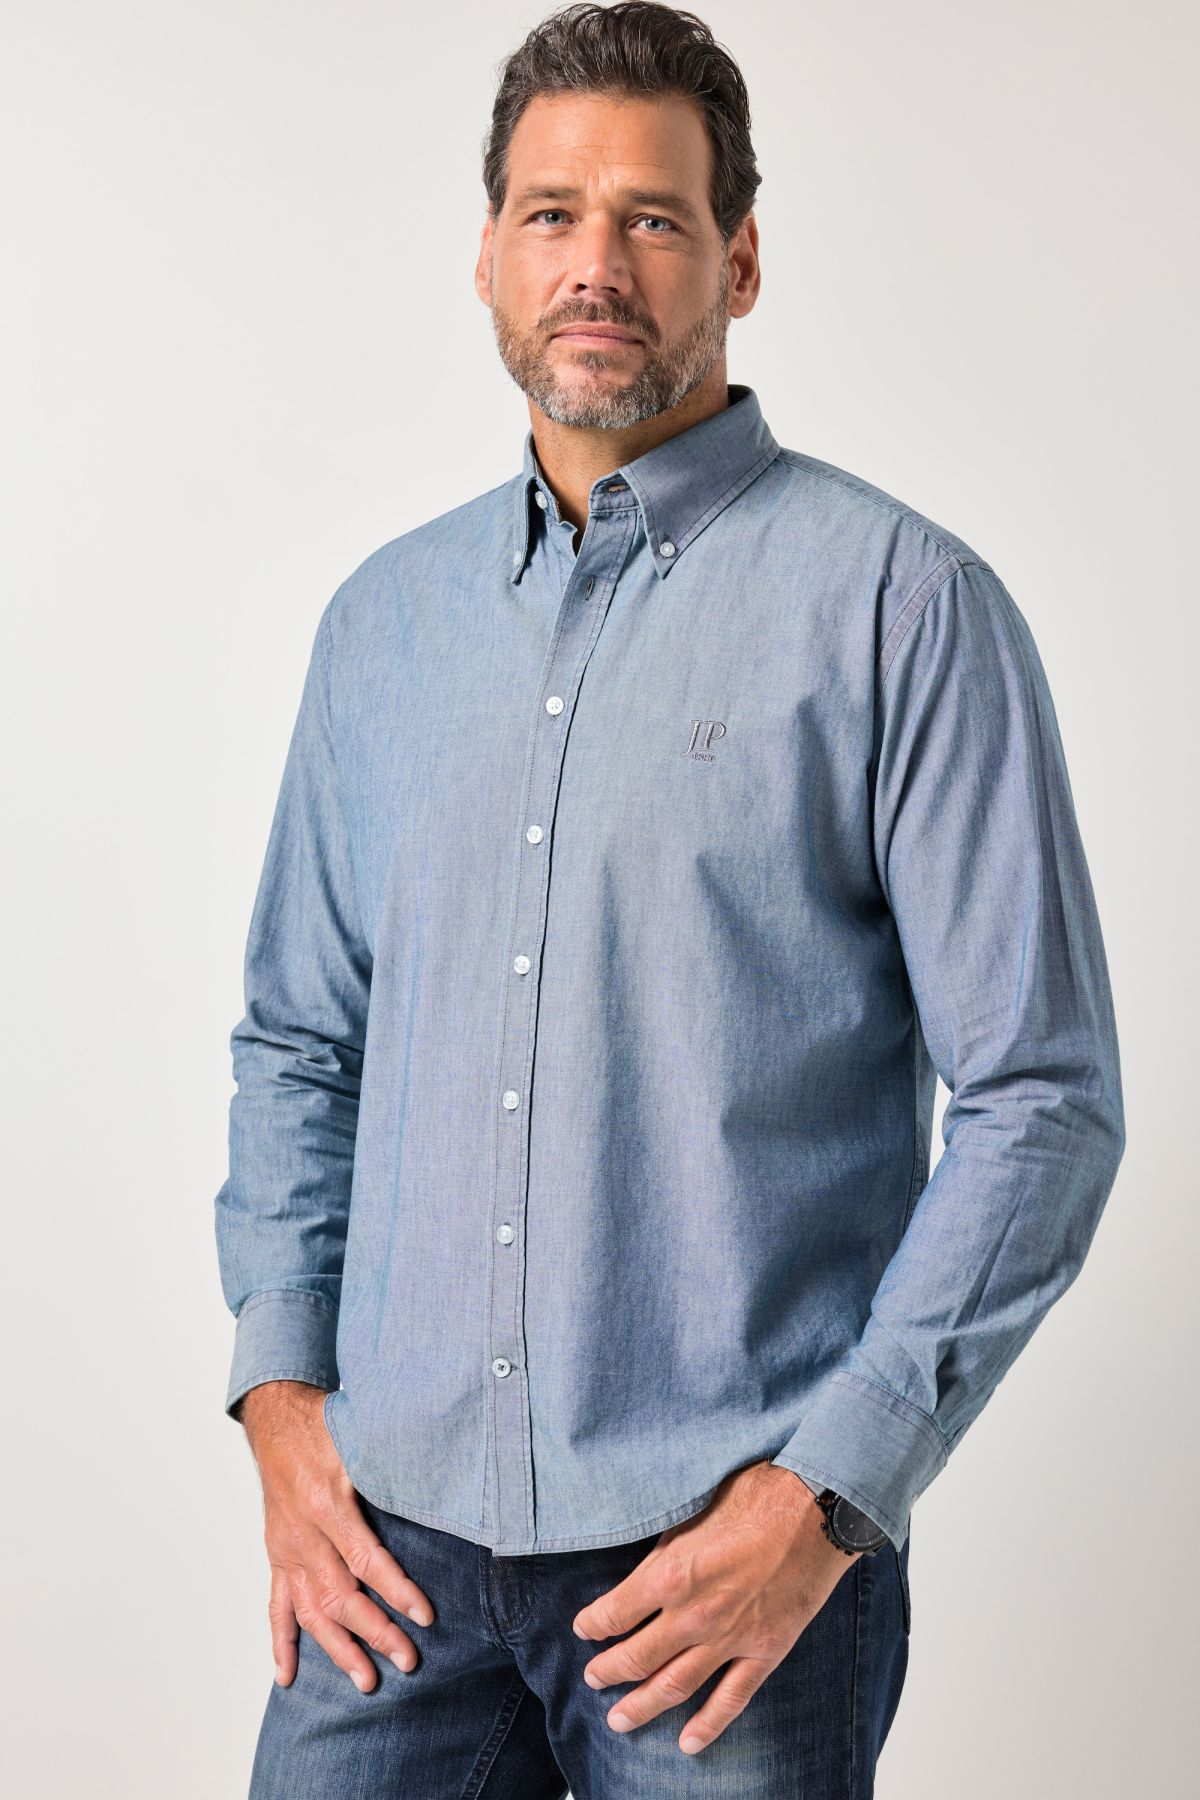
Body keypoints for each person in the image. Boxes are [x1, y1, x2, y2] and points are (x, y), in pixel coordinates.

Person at [213, 4, 1126, 1794]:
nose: (596, 265)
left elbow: (1044, 1099)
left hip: (724, 1579)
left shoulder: (903, 608)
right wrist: (282, 1403)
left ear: (741, 260)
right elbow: (300, 1043)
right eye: (551, 214)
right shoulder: (382, 629)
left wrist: (829, 1493)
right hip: (388, 1564)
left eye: (652, 217)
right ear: (488, 255)